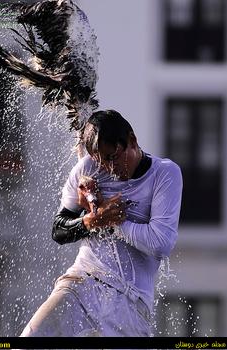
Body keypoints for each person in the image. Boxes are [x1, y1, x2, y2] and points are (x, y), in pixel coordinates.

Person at [20, 109, 183, 337]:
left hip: (130, 300)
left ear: (132, 141)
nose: (110, 168)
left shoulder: (165, 173)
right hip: (82, 281)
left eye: (113, 157)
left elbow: (160, 243)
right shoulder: (87, 168)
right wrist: (89, 220)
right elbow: (58, 229)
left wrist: (109, 220)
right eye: (102, 161)